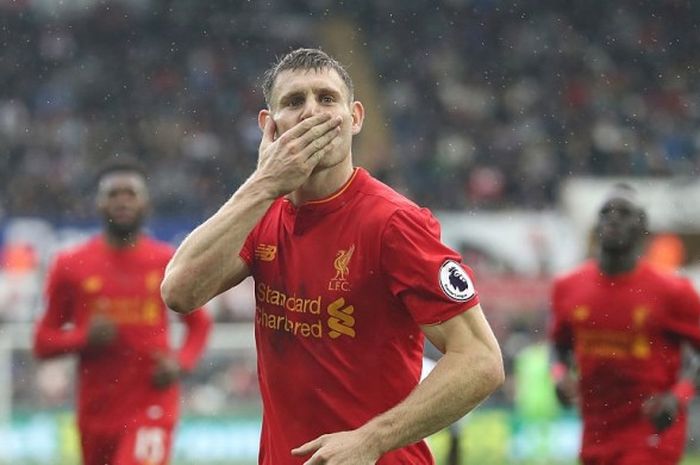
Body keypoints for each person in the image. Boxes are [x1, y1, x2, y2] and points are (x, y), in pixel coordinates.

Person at [161, 48, 504, 465]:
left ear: (355, 117)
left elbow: (481, 360)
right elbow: (179, 291)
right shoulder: (260, 210)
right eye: (293, 102)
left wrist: (371, 439)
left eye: (326, 98)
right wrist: (263, 183)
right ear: (269, 127)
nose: (312, 113)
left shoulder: (394, 223)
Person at [33, 159, 213, 465]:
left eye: (130, 193)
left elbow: (199, 324)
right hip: (96, 410)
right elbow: (42, 342)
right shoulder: (71, 264)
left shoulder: (166, 261)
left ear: (146, 204)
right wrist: (82, 337)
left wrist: (180, 363)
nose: (122, 201)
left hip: (152, 403)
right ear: (99, 204)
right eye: (113, 194)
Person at [549, 184, 700, 465]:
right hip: (596, 430)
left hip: (651, 430)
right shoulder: (568, 287)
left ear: (642, 226)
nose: (613, 218)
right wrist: (559, 377)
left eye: (624, 212)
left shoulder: (672, 291)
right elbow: (558, 349)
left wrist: (679, 396)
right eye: (606, 211)